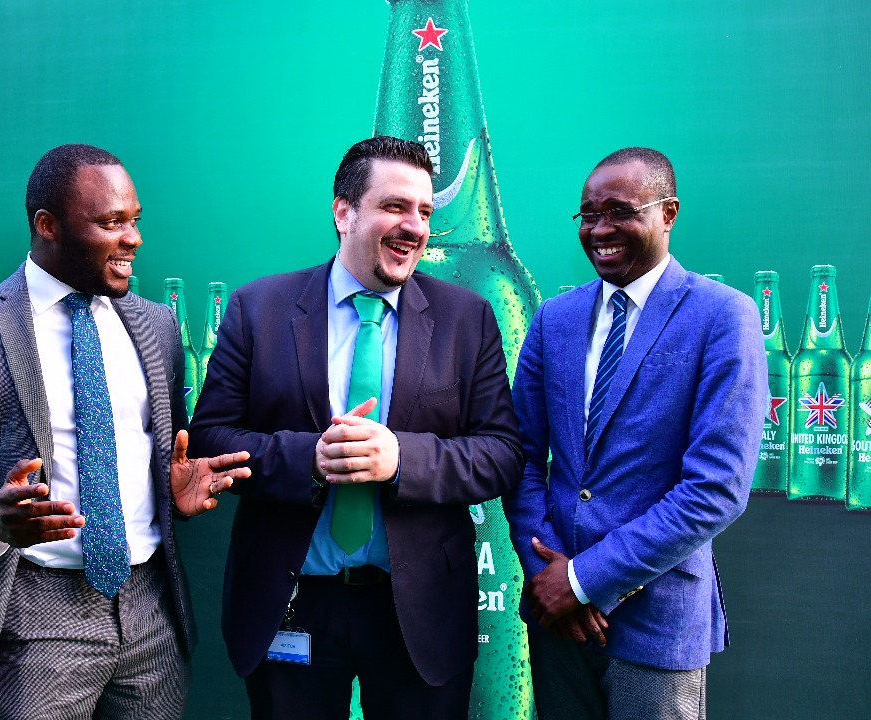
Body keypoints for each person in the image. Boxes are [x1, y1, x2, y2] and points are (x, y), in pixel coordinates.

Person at [0, 143, 250, 720]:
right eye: (112, 223)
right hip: (36, 614)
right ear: (48, 226)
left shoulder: (157, 325)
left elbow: (153, 456)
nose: (134, 238)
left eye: (135, 220)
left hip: (152, 609)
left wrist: (174, 493)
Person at [187, 136, 524, 720]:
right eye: (395, 206)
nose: (415, 226)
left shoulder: (466, 319)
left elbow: (501, 453)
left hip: (419, 611)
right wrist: (310, 460)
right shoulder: (258, 309)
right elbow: (211, 437)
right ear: (343, 212)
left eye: (424, 211)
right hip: (292, 604)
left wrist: (401, 460)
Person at [503, 147, 768, 719]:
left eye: (620, 211)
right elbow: (518, 456)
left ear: (668, 213)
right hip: (555, 623)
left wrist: (583, 580)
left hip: (657, 624)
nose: (600, 230)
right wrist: (547, 575)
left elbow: (716, 489)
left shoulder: (723, 316)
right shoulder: (554, 319)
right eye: (588, 215)